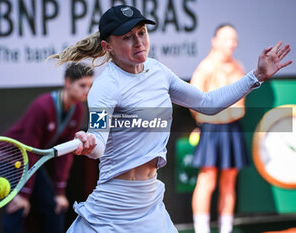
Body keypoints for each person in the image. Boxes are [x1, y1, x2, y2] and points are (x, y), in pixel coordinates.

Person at [46, 5, 292, 233]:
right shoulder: (105, 87)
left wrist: (256, 75)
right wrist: (89, 143)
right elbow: (98, 143)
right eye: (127, 37)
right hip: (113, 206)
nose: (139, 42)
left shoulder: (159, 72)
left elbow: (207, 103)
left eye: (141, 33)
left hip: (151, 201)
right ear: (107, 45)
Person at [2, 63, 94, 233]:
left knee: (55, 206)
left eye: (89, 86)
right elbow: (28, 150)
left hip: (29, 160)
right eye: (82, 85)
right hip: (6, 158)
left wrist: (59, 192)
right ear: (67, 83)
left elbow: (65, 154)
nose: (86, 91)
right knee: (18, 207)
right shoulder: (42, 106)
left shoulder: (78, 110)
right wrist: (23, 194)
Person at [190, 24, 247, 233]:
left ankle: (226, 229)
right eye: (227, 39)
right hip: (211, 130)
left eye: (234, 40)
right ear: (215, 41)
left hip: (233, 129)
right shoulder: (205, 67)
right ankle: (201, 229)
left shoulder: (238, 66)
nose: (232, 44)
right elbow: (193, 99)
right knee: (207, 180)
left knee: (229, 181)